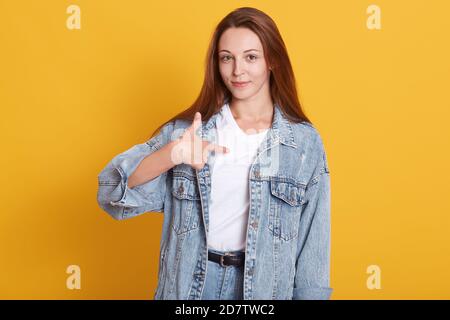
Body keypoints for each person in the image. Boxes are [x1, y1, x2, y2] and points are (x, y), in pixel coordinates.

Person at [97, 6, 332, 300]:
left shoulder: (303, 144)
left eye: (251, 57)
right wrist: (173, 153)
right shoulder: (188, 132)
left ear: (271, 60)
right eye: (226, 58)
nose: (237, 70)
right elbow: (111, 191)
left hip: (261, 290)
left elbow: (313, 249)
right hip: (191, 287)